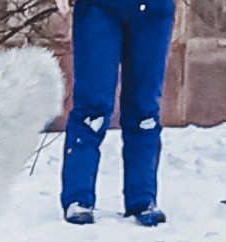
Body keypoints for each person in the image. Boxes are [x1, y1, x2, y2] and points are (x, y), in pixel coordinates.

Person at [55, 0, 175, 226]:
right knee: (92, 108)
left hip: (154, 10)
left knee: (144, 110)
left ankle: (143, 198)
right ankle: (78, 198)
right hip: (99, 8)